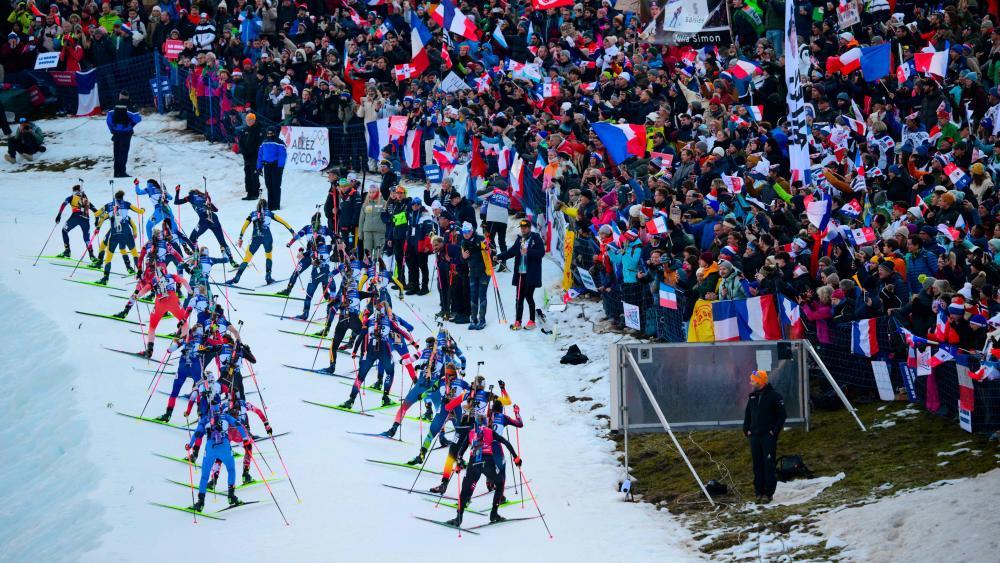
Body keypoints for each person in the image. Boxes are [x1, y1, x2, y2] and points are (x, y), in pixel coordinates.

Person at [186, 396, 251, 512]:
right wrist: (245, 438)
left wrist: (190, 445)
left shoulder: (205, 418)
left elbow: (197, 433)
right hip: (225, 447)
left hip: (210, 448)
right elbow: (238, 425)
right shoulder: (226, 416)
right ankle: (231, 497)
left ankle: (200, 503)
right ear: (219, 407)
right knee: (231, 470)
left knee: (204, 476)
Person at [743, 369, 786, 504]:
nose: (751, 383)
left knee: (768, 464)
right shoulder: (752, 397)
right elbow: (748, 414)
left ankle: (768, 493)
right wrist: (746, 429)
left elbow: (782, 415)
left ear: (760, 382)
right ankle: (758, 492)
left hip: (768, 436)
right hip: (754, 436)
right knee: (757, 464)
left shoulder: (775, 396)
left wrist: (774, 431)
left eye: (753, 381)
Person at [229, 199, 294, 286]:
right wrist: (292, 232)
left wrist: (240, 237)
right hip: (267, 237)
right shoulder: (270, 213)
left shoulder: (252, 213)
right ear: (266, 206)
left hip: (256, 237)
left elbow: (245, 226)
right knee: (268, 256)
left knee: (247, 258)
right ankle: (268, 277)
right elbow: (283, 222)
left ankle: (237, 277)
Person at [496, 219, 545, 329]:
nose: (523, 229)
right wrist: (498, 257)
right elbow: (510, 252)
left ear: (529, 228)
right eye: (522, 228)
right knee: (519, 297)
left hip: (531, 273)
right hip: (520, 273)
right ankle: (518, 321)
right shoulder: (519, 240)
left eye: (525, 227)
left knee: (528, 296)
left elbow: (541, 252)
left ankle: (532, 321)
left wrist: (528, 251)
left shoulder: (536, 238)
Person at [55, 184, 98, 261]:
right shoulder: (86, 199)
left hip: (75, 217)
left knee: (64, 231)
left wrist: (59, 215)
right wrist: (97, 220)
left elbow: (63, 204)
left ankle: (67, 251)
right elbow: (96, 211)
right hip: (86, 219)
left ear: (75, 191)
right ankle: (92, 255)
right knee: (87, 239)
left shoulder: (72, 197)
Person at [459, 222, 489, 330]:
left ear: (472, 231)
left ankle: (482, 319)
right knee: (473, 296)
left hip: (484, 272)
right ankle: (473, 319)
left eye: (467, 232)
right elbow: (462, 259)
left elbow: (492, 251)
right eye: (464, 232)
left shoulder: (480, 239)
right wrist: (463, 257)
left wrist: (488, 249)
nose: (466, 234)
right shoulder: (463, 242)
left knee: (482, 295)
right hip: (472, 272)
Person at [106, 93, 141, 177]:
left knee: (117, 153)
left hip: (116, 133)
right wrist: (130, 125)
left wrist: (112, 130)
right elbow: (138, 118)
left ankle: (116, 172)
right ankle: (122, 172)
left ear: (120, 96)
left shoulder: (113, 106)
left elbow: (108, 120)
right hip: (126, 133)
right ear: (128, 97)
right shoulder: (130, 106)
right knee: (123, 153)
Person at [256, 128, 287, 210]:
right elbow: (260, 155)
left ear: (274, 133)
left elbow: (282, 155)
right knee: (269, 185)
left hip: (276, 166)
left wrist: (280, 166)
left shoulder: (279, 142)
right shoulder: (264, 142)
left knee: (275, 185)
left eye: (271, 133)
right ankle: (270, 205)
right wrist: (259, 167)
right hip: (267, 166)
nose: (269, 135)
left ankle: (276, 205)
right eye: (268, 133)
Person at [237, 113, 263, 200]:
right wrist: (244, 152)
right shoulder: (245, 130)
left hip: (254, 156)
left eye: (250, 120)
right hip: (246, 157)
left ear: (254, 120)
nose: (249, 121)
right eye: (247, 120)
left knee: (254, 174)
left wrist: (250, 152)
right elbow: (240, 142)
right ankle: (249, 192)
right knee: (247, 174)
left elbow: (258, 144)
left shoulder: (258, 130)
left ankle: (255, 192)